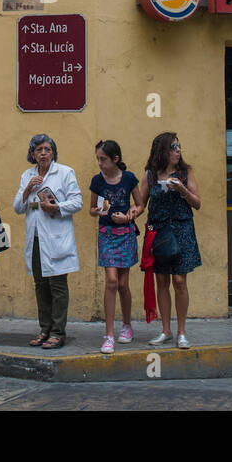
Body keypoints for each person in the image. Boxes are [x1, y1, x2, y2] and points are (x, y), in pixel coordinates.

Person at [13, 133, 81, 349]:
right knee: (41, 285)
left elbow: (77, 202)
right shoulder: (27, 176)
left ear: (53, 153)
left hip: (56, 238)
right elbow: (17, 208)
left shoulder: (65, 172)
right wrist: (27, 190)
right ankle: (44, 329)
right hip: (35, 239)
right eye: (39, 150)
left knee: (57, 286)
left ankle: (58, 332)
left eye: (47, 149)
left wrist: (57, 207)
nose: (43, 153)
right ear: (32, 153)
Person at [134, 132, 202, 349]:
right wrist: (127, 214)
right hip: (159, 231)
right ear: (163, 151)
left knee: (180, 281)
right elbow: (141, 204)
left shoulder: (185, 172)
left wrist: (182, 190)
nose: (178, 150)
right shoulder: (150, 175)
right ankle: (166, 330)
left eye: (179, 146)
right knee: (161, 281)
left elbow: (197, 203)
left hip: (182, 229)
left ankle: (182, 332)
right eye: (173, 147)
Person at [89, 140, 141, 353]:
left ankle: (126, 325)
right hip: (107, 234)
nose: (100, 163)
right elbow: (92, 209)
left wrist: (129, 216)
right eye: (98, 159)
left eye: (103, 159)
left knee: (122, 284)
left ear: (115, 159)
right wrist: (98, 212)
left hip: (126, 234)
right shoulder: (97, 181)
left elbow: (139, 204)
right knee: (111, 281)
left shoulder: (128, 178)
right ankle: (108, 335)